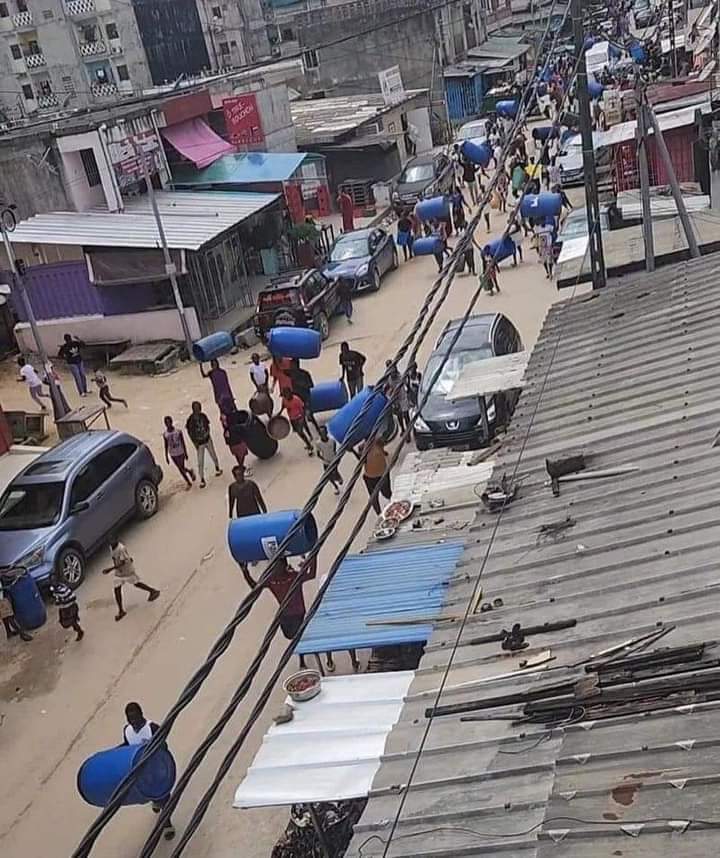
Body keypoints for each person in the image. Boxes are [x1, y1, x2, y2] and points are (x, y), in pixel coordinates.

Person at [122, 702, 175, 841]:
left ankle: (167, 824)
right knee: (152, 794)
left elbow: (164, 745)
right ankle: (155, 801)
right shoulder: (127, 731)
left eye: (135, 717)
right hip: (142, 772)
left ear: (141, 715)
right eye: (130, 718)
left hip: (156, 768)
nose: (133, 721)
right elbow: (127, 747)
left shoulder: (152, 728)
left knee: (164, 796)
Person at [103, 537, 160, 621]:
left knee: (137, 584)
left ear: (116, 540)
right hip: (119, 573)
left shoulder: (121, 548)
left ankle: (152, 591)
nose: (111, 543)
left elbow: (123, 562)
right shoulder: (111, 547)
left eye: (112, 541)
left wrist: (110, 569)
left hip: (127, 571)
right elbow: (114, 558)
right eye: (109, 541)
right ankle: (121, 610)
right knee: (117, 589)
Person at [185, 401, 222, 488]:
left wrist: (208, 434)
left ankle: (217, 468)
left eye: (199, 408)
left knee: (213, 455)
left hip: (207, 439)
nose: (198, 410)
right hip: (199, 443)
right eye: (196, 409)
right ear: (193, 409)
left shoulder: (203, 416)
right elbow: (189, 432)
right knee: (200, 461)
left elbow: (208, 425)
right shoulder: (190, 420)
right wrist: (195, 443)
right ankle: (202, 479)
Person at [162, 415, 196, 489]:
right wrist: (166, 456)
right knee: (180, 468)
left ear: (172, 422)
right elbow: (166, 445)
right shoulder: (165, 434)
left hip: (180, 452)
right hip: (172, 453)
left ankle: (189, 480)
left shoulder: (178, 431)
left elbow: (183, 442)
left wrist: (185, 452)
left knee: (181, 468)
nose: (168, 424)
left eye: (169, 422)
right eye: (166, 423)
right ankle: (189, 475)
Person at [287, 359, 320, 432]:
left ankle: (318, 431)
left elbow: (311, 385)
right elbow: (280, 369)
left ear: (296, 365)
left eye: (292, 365)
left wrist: (302, 384)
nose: (291, 367)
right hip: (297, 400)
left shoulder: (304, 374)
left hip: (305, 398)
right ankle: (310, 435)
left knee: (309, 416)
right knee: (302, 419)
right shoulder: (291, 374)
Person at [280, 387, 314, 454]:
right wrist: (279, 413)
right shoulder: (284, 400)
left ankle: (309, 445)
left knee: (300, 431)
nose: (286, 397)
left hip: (299, 417)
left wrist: (302, 418)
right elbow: (283, 406)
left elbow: (303, 409)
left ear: (290, 393)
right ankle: (308, 441)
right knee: (300, 433)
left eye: (286, 395)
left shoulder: (296, 399)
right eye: (284, 395)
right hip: (292, 419)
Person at [363, 437, 392, 515]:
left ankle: (392, 508)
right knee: (374, 498)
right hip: (370, 477)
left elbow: (385, 442)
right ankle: (379, 514)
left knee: (387, 493)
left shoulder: (378, 442)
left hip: (382, 474)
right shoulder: (363, 447)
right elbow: (361, 460)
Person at [0, 573, 32, 642]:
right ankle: (22, 634)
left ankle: (9, 632)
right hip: (1, 599)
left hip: (1, 597)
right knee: (10, 616)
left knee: (5, 615)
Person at [221, 404, 252, 474]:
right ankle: (241, 468)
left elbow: (227, 440)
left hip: (232, 444)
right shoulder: (235, 425)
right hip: (238, 442)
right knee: (242, 454)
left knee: (237, 456)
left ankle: (241, 466)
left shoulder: (226, 429)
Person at [314, 425, 343, 495]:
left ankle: (339, 477)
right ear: (319, 434)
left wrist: (336, 459)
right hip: (326, 463)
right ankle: (335, 487)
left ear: (327, 432)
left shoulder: (332, 441)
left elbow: (334, 451)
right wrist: (324, 459)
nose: (323, 434)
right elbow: (318, 454)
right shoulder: (318, 443)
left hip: (333, 461)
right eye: (321, 433)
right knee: (328, 476)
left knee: (335, 472)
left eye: (324, 432)